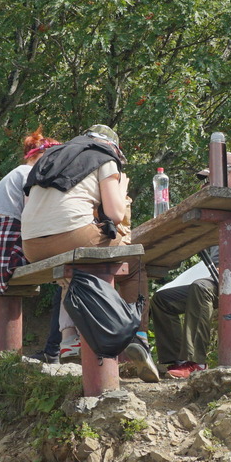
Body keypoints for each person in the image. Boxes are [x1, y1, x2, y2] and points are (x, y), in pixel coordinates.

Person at [20, 125, 153, 375]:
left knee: (73, 270)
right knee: (133, 260)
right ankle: (137, 337)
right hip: (72, 236)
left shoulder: (48, 157)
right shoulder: (105, 157)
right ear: (113, 147)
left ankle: (70, 340)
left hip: (31, 245)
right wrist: (121, 191)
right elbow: (115, 213)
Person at [148, 234, 231, 380]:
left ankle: (196, 362)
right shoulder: (215, 218)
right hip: (220, 275)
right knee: (162, 299)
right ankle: (176, 361)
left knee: (201, 287)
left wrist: (229, 263)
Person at [0, 130, 59, 289]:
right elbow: (32, 215)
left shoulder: (17, 173)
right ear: (37, 155)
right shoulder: (29, 173)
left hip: (2, 252)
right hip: (11, 252)